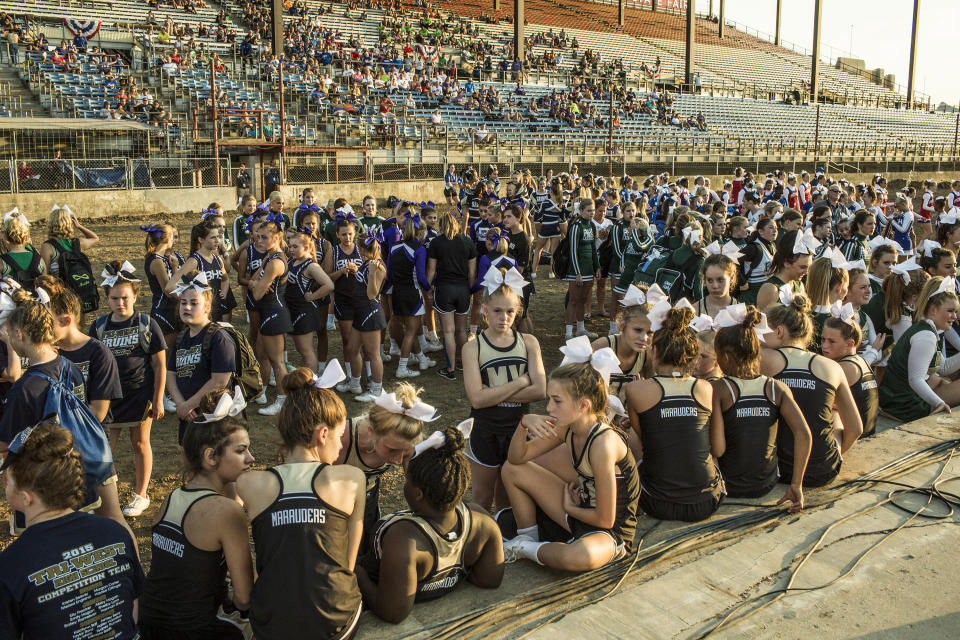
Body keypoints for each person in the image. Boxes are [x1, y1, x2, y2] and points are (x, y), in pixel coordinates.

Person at [237, 368, 366, 640]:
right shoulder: (351, 479)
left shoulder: (250, 484)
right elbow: (348, 565)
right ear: (322, 434)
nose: (342, 446)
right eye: (340, 435)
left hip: (272, 624)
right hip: (336, 622)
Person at [0, 424, 144, 640]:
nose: (4, 484)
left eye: (7, 479)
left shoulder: (11, 565)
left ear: (26, 497)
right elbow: (132, 610)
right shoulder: (116, 533)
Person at [500, 357, 640, 570]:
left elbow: (606, 519)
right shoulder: (567, 428)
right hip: (581, 508)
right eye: (549, 399)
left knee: (576, 557)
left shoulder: (603, 443)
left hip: (607, 532)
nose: (548, 408)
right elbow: (516, 459)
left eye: (557, 401)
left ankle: (525, 549)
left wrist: (569, 508)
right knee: (511, 470)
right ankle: (527, 538)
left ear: (583, 405)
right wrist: (523, 424)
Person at [356, 421, 504, 623]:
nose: (404, 484)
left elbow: (393, 612)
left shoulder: (404, 537)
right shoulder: (481, 521)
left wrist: (356, 571)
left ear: (417, 494)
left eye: (407, 480)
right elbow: (490, 579)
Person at [139, 387, 255, 639]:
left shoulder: (172, 498)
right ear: (210, 456)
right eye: (241, 450)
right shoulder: (226, 512)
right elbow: (245, 599)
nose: (251, 458)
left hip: (150, 625)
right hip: (194, 630)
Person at [625, 303, 725, 521]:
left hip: (656, 502)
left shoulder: (635, 390)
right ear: (693, 356)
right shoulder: (705, 388)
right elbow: (717, 447)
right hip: (706, 503)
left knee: (628, 435)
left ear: (656, 352)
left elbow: (644, 440)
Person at [463, 267, 546, 512]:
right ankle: (478, 544)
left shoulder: (529, 342)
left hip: (518, 429)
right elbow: (477, 399)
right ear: (484, 310)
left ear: (517, 311)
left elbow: (540, 390)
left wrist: (493, 393)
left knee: (508, 496)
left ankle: (502, 541)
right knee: (481, 497)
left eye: (510, 311)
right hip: (484, 430)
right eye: (497, 311)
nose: (504, 318)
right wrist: (521, 382)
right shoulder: (473, 347)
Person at [761, 290, 863, 487]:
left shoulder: (765, 359)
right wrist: (833, 454)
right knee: (834, 413)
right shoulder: (832, 367)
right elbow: (856, 428)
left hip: (778, 469)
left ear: (779, 332)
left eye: (762, 331)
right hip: (824, 470)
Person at [712, 304, 811, 504]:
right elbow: (804, 434)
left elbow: (718, 449)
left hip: (731, 485)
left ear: (726, 356)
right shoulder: (777, 388)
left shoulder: (719, 389)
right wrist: (796, 484)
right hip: (767, 484)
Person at [91, 261, 167, 517]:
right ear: (107, 298)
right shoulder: (99, 327)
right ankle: (99, 495)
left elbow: (159, 365)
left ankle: (141, 494)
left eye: (125, 297)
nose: (120, 303)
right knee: (103, 446)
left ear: (135, 295)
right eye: (114, 298)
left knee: (140, 443)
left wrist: (158, 400)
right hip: (108, 398)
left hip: (139, 394)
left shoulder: (147, 323)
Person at [166, 271, 236, 444]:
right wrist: (181, 405)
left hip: (214, 418)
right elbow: (171, 374)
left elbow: (220, 380)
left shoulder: (219, 337)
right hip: (187, 416)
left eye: (194, 303)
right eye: (183, 303)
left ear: (207, 307)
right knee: (190, 459)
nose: (187, 307)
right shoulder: (181, 337)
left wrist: (188, 405)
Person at [879, 276, 960, 419]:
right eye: (950, 311)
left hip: (895, 398)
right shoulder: (926, 336)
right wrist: (939, 403)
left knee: (943, 380)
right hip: (904, 404)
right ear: (934, 310)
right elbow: (915, 379)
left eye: (956, 311)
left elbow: (944, 367)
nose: (955, 316)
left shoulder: (925, 328)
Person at [248, 220, 291, 415]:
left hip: (274, 312)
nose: (259, 240)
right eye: (258, 236)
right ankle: (261, 392)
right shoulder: (269, 257)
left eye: (264, 237)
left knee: (277, 361)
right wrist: (257, 284)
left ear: (276, 238)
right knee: (262, 355)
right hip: (268, 312)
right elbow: (253, 281)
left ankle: (282, 401)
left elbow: (256, 292)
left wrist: (257, 285)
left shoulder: (275, 261)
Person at [427, 212, 477, 380]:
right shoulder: (467, 241)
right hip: (462, 289)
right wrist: (469, 290)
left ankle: (450, 369)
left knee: (448, 332)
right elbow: (472, 274)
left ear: (441, 225)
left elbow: (431, 271)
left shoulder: (436, 243)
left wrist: (427, 288)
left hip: (444, 289)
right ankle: (465, 364)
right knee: (462, 330)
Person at [385, 212, 435, 378]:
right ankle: (402, 368)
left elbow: (389, 274)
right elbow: (421, 277)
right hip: (412, 293)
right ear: (419, 232)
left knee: (410, 329)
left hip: (397, 292)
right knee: (411, 331)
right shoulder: (419, 249)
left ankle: (422, 359)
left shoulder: (395, 247)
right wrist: (428, 288)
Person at [285, 228, 334, 375]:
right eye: (290, 246)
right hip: (293, 310)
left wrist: (313, 296)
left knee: (306, 351)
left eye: (295, 247)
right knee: (300, 349)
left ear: (306, 248)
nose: (291, 249)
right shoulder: (292, 261)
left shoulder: (311, 265)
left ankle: (313, 383)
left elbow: (329, 285)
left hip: (305, 312)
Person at [820, 314, 879, 437]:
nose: (824, 346)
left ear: (850, 344)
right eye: (823, 339)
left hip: (855, 439)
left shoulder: (844, 368)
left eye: (832, 341)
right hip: (868, 433)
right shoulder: (860, 361)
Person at [169, 221, 232, 322]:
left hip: (216, 309)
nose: (217, 241)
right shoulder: (194, 261)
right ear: (201, 239)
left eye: (218, 237)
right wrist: (188, 301)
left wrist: (224, 292)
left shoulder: (217, 258)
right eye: (213, 237)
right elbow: (171, 286)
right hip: (201, 315)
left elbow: (225, 279)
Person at [565, 198, 600, 339]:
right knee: (573, 299)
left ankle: (580, 329)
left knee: (583, 299)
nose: (591, 213)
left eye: (593, 210)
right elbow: (572, 251)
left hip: (588, 269)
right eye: (588, 211)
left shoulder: (591, 225)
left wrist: (597, 267)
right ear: (581, 211)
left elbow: (593, 248)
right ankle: (568, 333)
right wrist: (577, 273)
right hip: (577, 269)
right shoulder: (576, 226)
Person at [755, 230, 812, 312]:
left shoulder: (799, 285)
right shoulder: (771, 289)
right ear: (787, 263)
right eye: (802, 267)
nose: (806, 272)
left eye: (808, 267)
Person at [39, 204, 99, 279]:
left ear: (50, 224)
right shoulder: (78, 243)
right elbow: (95, 238)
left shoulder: (47, 247)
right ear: (70, 223)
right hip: (78, 286)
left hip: (60, 288)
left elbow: (45, 274)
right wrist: (79, 226)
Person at [0, 210, 43, 289]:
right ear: (26, 237)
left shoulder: (2, 262)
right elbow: (46, 284)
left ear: (6, 239)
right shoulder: (39, 259)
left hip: (12, 300)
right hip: (36, 300)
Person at [737, 218, 777, 305]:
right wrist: (742, 282)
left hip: (768, 290)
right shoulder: (753, 248)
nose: (775, 230)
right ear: (761, 231)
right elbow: (732, 261)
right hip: (753, 292)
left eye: (776, 228)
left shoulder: (772, 245)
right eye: (771, 227)